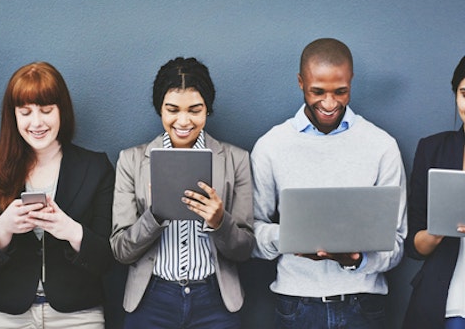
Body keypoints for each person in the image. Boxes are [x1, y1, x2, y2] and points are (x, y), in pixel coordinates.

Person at [250, 38, 407, 329]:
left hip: (364, 306)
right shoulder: (271, 146)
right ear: (300, 82)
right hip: (296, 305)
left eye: (341, 91)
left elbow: (396, 244)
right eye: (317, 91)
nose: (329, 103)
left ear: (351, 82)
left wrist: (356, 259)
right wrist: (291, 237)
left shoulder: (382, 146)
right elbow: (252, 235)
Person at [0, 62, 114, 329]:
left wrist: (70, 230)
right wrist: (3, 229)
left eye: (46, 110)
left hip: (79, 315)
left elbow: (107, 260)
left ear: (62, 112)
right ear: (13, 116)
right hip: (6, 315)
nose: (37, 122)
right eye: (25, 112)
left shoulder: (95, 168)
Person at [110, 57, 254, 329]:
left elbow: (245, 248)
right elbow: (120, 250)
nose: (184, 121)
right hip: (152, 299)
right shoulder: (131, 161)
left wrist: (219, 222)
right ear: (160, 109)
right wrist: (154, 216)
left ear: (207, 110)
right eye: (172, 109)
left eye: (195, 110)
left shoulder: (236, 160)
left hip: (215, 300)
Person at [403, 55, 465, 329]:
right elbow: (414, 246)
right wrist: (438, 230)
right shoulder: (433, 149)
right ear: (456, 95)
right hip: (446, 303)